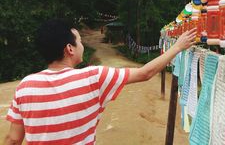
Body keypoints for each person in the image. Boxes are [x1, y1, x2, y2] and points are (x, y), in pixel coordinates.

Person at [4, 19, 196, 144]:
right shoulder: (92, 77)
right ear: (69, 49)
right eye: (79, 41)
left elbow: (13, 140)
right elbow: (145, 73)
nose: (81, 45)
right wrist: (178, 46)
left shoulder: (25, 87)